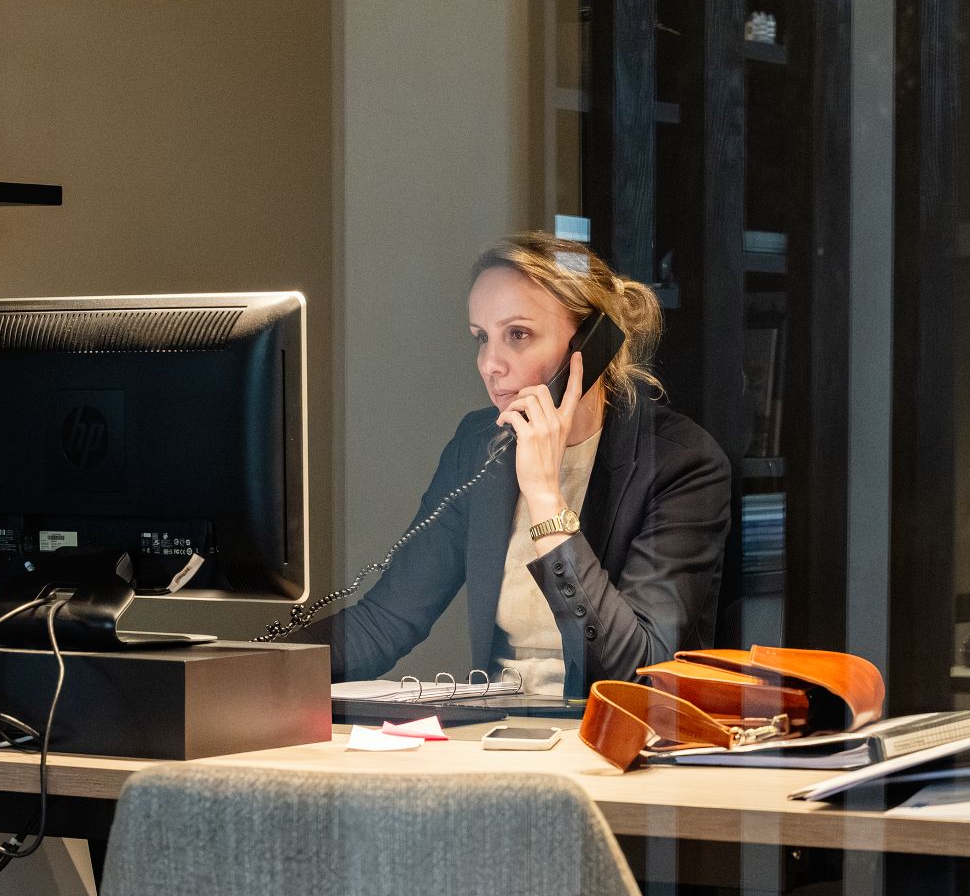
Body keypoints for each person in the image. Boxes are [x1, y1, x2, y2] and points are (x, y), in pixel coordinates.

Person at [309, 232, 732, 697]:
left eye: (519, 335)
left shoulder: (681, 461)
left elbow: (633, 671)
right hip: (500, 731)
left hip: (619, 738)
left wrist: (545, 496)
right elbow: (386, 622)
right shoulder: (480, 444)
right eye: (481, 338)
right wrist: (242, 667)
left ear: (594, 343)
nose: (490, 363)